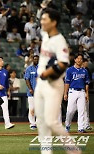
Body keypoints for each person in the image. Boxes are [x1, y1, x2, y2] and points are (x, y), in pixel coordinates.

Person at [33, 8, 81, 154]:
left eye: (45, 19)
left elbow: (63, 63)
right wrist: (41, 9)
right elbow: (38, 20)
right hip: (41, 83)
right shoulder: (45, 35)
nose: (42, 22)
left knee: (52, 122)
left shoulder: (59, 41)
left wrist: (45, 73)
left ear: (54, 22)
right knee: (41, 123)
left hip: (53, 84)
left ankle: (73, 151)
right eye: (42, 19)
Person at [64, 54, 90, 133]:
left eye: (81, 59)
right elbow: (67, 82)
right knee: (70, 111)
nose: (79, 60)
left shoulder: (84, 71)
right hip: (72, 91)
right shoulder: (70, 70)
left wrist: (87, 93)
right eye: (78, 58)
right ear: (75, 60)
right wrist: (65, 93)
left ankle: (80, 128)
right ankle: (67, 125)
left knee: (81, 110)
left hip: (81, 91)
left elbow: (86, 83)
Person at [0, 57, 15, 129]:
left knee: (5, 109)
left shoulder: (5, 72)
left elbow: (7, 83)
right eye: (0, 60)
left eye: (2, 60)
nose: (2, 61)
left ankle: (7, 124)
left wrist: (8, 90)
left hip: (3, 93)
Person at [24, 55, 39, 130]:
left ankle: (38, 122)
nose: (36, 60)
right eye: (35, 59)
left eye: (37, 59)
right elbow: (27, 79)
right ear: (32, 60)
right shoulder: (29, 69)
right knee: (32, 108)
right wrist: (30, 89)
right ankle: (32, 123)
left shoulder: (41, 68)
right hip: (31, 92)